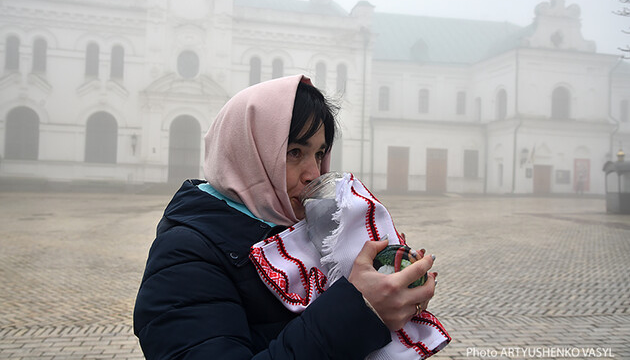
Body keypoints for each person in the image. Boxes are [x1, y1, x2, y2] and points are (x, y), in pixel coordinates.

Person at [133, 75, 437, 359]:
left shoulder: (308, 231)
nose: (314, 174)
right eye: (294, 152)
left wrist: (390, 291)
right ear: (246, 152)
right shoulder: (185, 255)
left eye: (319, 154)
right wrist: (361, 309)